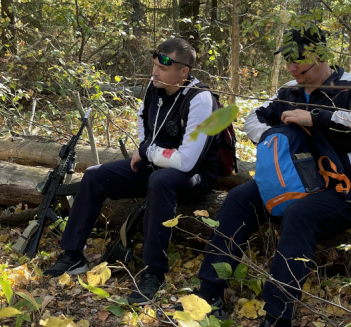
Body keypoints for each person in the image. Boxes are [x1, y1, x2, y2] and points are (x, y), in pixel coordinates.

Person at [193, 26, 351, 327]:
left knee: (299, 216)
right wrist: (277, 133)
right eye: (289, 62)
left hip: (346, 191)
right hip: (292, 183)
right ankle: (209, 293)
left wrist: (316, 118)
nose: (293, 69)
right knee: (239, 198)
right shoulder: (288, 91)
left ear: (322, 56)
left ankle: (277, 319)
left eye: (300, 62)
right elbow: (254, 119)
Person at [44, 39, 221, 304]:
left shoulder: (201, 100)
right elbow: (142, 119)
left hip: (194, 175)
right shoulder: (155, 87)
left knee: (161, 181)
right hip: (156, 164)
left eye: (163, 67)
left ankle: (154, 272)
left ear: (183, 72)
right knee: (95, 176)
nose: (155, 72)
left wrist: (148, 151)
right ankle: (73, 255)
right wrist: (146, 146)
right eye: (154, 65)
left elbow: (186, 162)